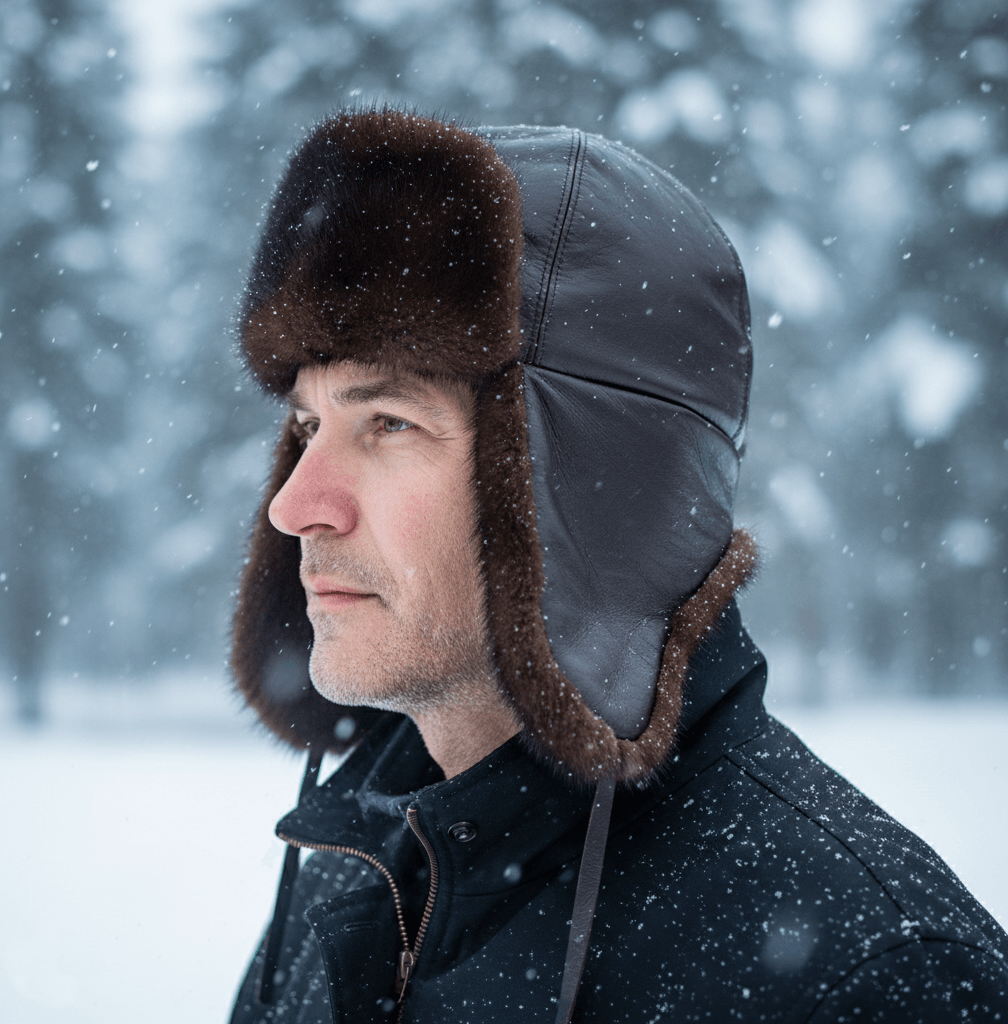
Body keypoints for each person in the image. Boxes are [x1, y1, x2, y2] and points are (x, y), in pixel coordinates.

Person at [228, 108, 1008, 1024]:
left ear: (600, 493)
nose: (293, 504)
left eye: (388, 423)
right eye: (309, 426)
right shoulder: (363, 877)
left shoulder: (872, 977)